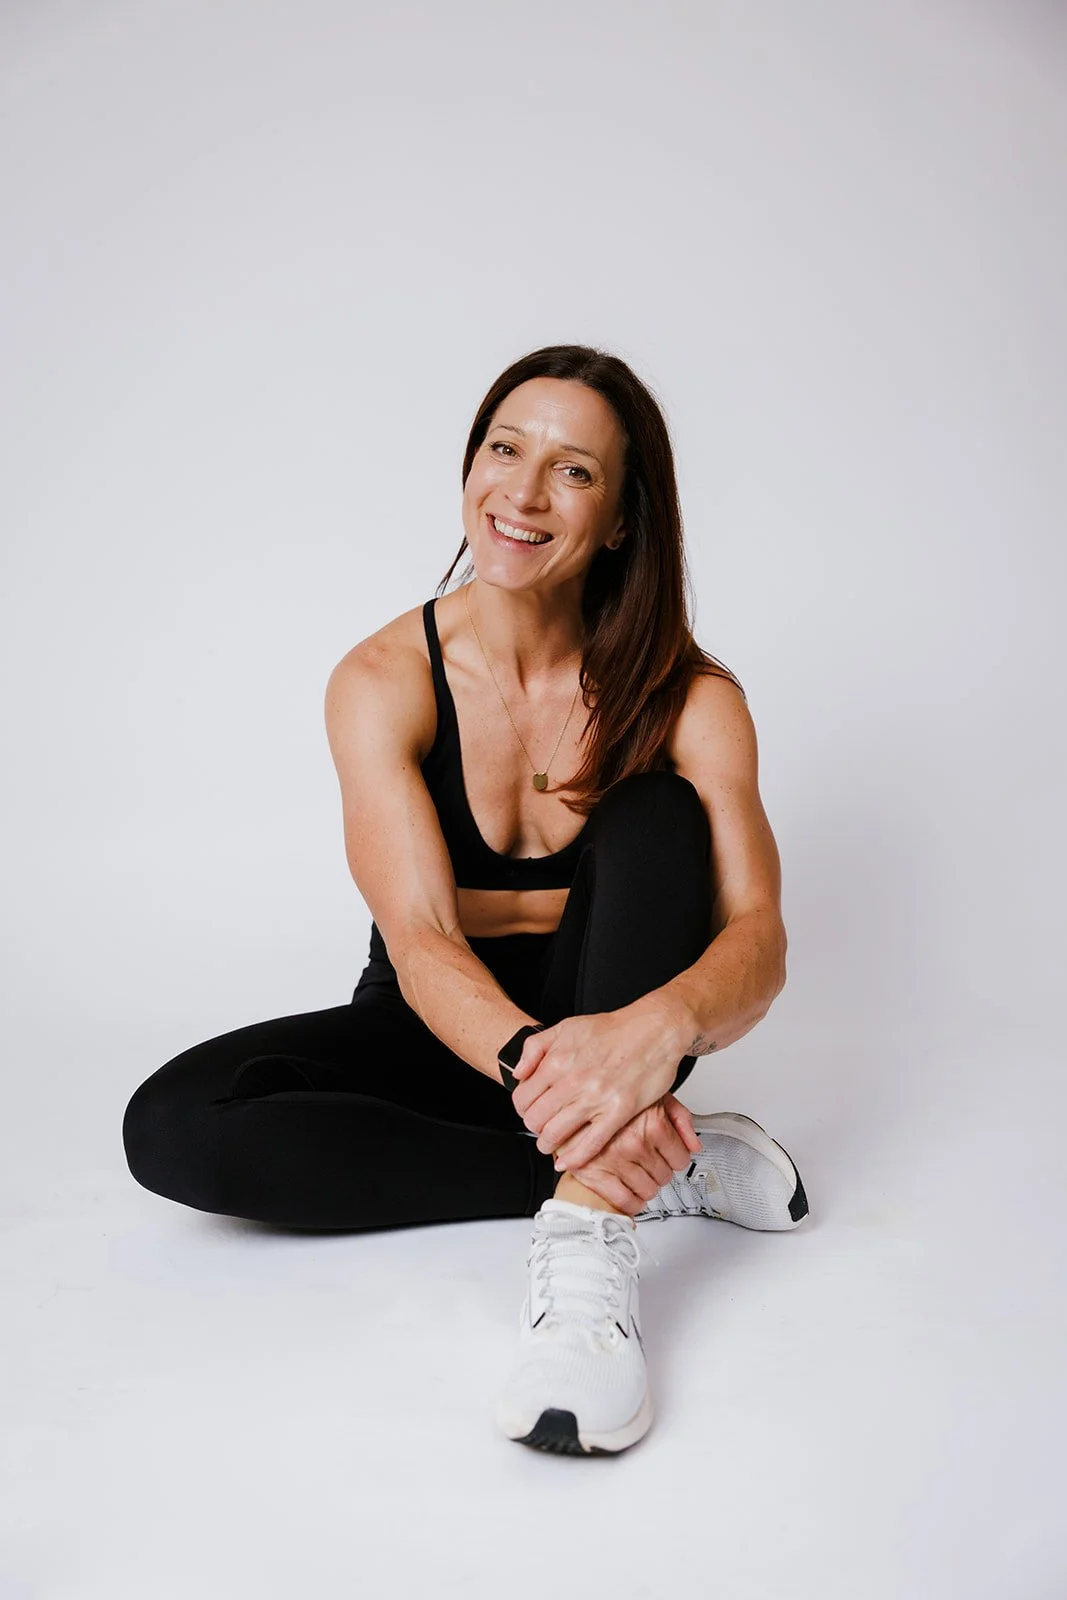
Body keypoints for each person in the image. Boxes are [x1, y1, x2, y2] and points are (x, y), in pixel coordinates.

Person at [122, 343, 809, 1457]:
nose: (523, 493)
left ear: (624, 517)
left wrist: (650, 1036)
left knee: (655, 817)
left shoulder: (691, 694)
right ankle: (644, 1164)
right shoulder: (382, 679)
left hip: (619, 1017)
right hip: (451, 1026)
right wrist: (554, 1087)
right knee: (172, 1127)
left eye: (573, 471)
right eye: (503, 448)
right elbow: (422, 936)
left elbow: (757, 940)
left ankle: (589, 1230)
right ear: (469, 466)